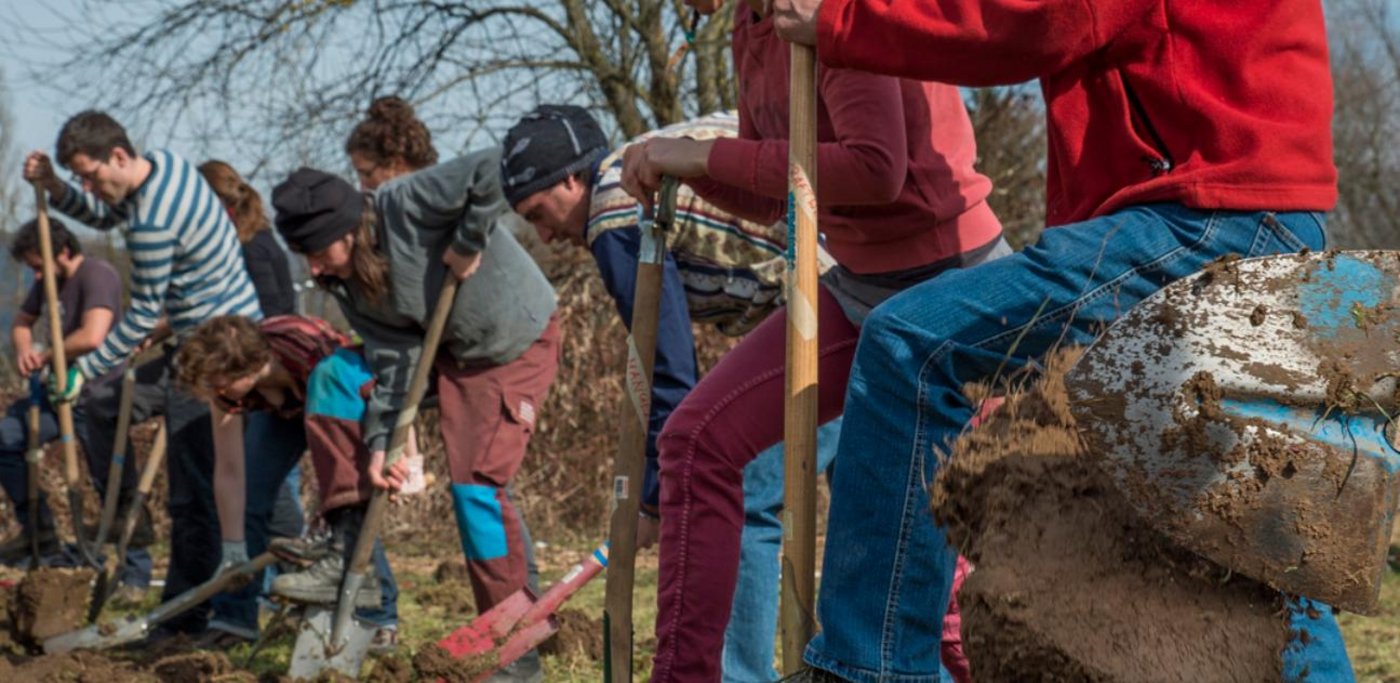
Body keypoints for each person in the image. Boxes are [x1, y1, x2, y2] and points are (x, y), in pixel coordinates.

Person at [746, 0, 1354, 681]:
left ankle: (871, 666)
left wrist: (843, 19)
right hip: (1266, 217)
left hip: (1202, 217)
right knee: (1238, 528)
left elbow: (1041, 17)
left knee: (910, 346)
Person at [618, 1, 1007, 679]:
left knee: (943, 580)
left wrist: (705, 152)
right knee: (698, 440)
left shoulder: (831, 10)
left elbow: (876, 168)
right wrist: (686, 167)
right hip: (856, 287)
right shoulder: (751, 23)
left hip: (952, 287)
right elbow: (778, 195)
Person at [504, 105, 848, 682]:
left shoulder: (615, 214)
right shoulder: (637, 168)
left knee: (744, 492)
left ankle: (741, 676)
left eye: (539, 213)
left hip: (822, 305)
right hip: (861, 284)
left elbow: (668, 375)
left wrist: (652, 501)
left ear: (571, 179)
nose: (543, 236)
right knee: (867, 500)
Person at [271, 98, 560, 683]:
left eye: (318, 253)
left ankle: (515, 649)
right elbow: (394, 359)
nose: (316, 270)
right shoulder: (348, 282)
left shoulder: (403, 202)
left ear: (346, 229)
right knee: (333, 376)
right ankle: (347, 551)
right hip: (445, 348)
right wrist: (383, 444)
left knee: (477, 492)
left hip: (510, 340)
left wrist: (471, 238)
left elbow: (496, 164)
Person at [23, 110, 264, 638]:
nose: (90, 187)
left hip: (219, 351)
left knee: (193, 486)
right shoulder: (163, 165)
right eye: (81, 179)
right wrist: (57, 188)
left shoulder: (153, 221)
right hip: (198, 334)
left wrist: (83, 369)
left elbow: (136, 318)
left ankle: (189, 616)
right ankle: (128, 521)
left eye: (90, 176)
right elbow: (104, 216)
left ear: (117, 155)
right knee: (107, 404)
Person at [176, 314, 402, 648]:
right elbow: (230, 469)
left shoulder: (313, 353)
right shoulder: (230, 390)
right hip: (282, 409)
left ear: (247, 367)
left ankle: (379, 618)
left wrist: (397, 454)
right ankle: (234, 619)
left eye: (218, 383)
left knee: (349, 503)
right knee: (251, 492)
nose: (216, 392)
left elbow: (375, 388)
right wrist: (234, 548)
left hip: (338, 394)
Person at [0, 217, 139, 573]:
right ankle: (39, 530)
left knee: (110, 480)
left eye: (38, 265)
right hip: (57, 394)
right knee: (8, 437)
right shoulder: (49, 281)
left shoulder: (97, 274)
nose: (36, 275)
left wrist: (48, 355)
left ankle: (134, 568)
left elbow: (93, 335)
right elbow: (22, 321)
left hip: (98, 393)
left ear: (61, 251)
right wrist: (25, 350)